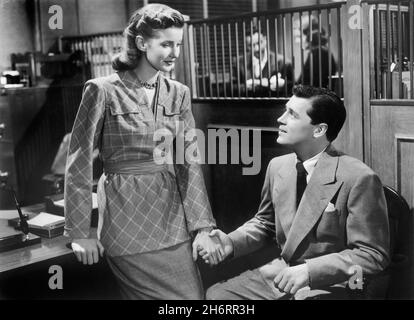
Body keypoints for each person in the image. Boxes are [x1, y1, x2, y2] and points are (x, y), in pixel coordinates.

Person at [64, 4, 223, 300]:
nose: (175, 52)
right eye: (166, 44)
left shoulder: (180, 92)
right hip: (125, 223)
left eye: (178, 43)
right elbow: (79, 163)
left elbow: (188, 164)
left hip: (173, 222)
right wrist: (79, 232)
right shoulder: (101, 90)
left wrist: (202, 227)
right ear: (141, 43)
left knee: (192, 298)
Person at [200, 85, 390, 300]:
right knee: (218, 296)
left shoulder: (359, 177)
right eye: (285, 110)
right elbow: (265, 224)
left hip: (334, 283)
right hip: (282, 274)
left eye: (292, 114)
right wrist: (231, 242)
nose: (280, 119)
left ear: (318, 130)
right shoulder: (277, 166)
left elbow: (372, 255)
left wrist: (309, 271)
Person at [233, 29, 293, 96]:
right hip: (247, 105)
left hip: (274, 105)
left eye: (259, 43)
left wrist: (283, 85)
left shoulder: (283, 62)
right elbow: (232, 87)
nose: (256, 48)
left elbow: (292, 87)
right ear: (246, 46)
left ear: (265, 40)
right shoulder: (239, 61)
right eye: (251, 45)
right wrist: (246, 86)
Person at [294, 15, 337, 89]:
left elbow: (307, 83)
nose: (296, 40)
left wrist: (284, 84)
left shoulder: (319, 53)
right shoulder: (321, 51)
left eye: (298, 36)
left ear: (306, 34)